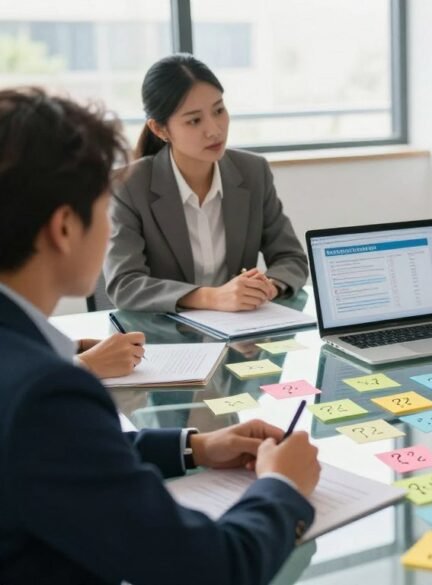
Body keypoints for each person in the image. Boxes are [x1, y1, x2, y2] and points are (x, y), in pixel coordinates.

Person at [0, 87, 321, 585]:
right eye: (103, 211)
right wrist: (284, 486)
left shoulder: (29, 374)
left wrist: (194, 447)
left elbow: (56, 459)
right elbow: (211, 566)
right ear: (65, 228)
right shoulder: (45, 391)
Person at [105, 53, 308, 313]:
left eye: (219, 110)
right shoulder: (129, 186)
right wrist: (211, 297)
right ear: (160, 129)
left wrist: (268, 286)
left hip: (243, 334)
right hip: (167, 341)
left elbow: (291, 258)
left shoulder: (253, 171)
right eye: (194, 120)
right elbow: (124, 284)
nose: (214, 129)